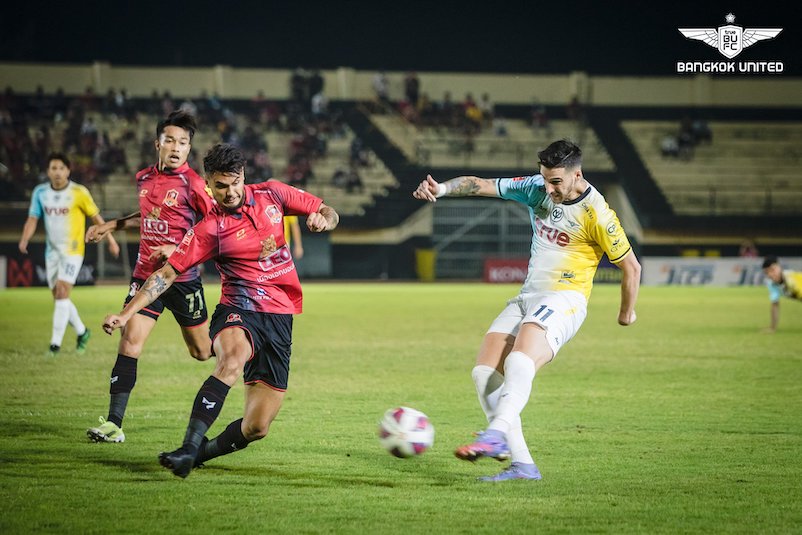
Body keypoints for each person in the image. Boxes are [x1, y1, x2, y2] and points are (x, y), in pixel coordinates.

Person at [102, 143, 339, 478]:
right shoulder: (208, 229)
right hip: (238, 309)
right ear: (209, 185)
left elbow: (329, 211)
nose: (230, 192)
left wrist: (323, 220)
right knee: (232, 358)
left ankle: (197, 455)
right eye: (221, 186)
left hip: (280, 316)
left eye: (235, 182)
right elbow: (166, 274)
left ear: (244, 176)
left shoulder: (273, 194)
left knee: (257, 427)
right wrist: (126, 314)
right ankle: (187, 447)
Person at [413, 139, 641, 482]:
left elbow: (632, 268)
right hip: (529, 296)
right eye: (545, 179)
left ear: (577, 174)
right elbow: (482, 185)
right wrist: (442, 188)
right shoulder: (537, 188)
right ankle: (522, 465)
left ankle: (496, 434)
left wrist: (627, 312)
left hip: (566, 299)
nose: (548, 189)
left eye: (556, 182)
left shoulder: (598, 214)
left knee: (519, 360)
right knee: (484, 373)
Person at [84, 110, 215, 444]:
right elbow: (146, 214)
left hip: (182, 279)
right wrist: (111, 225)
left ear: (189, 149)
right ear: (158, 143)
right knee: (129, 341)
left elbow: (215, 227)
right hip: (145, 275)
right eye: (170, 140)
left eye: (183, 143)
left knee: (201, 352)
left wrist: (179, 247)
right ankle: (114, 423)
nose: (176, 147)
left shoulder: (194, 184)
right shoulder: (143, 177)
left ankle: (241, 347)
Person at [19, 153, 120, 356]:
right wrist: (24, 239)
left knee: (63, 293)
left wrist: (111, 240)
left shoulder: (78, 192)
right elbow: (32, 218)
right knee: (59, 297)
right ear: (48, 171)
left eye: (61, 168)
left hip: (73, 251)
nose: (57, 172)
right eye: (53, 168)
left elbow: (96, 217)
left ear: (68, 170)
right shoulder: (40, 192)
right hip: (52, 253)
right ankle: (82, 332)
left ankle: (54, 346)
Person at [761, 256, 802, 333]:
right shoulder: (772, 284)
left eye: (773, 270)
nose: (770, 274)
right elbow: (775, 304)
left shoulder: (792, 279)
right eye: (767, 272)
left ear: (779, 267)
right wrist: (772, 328)